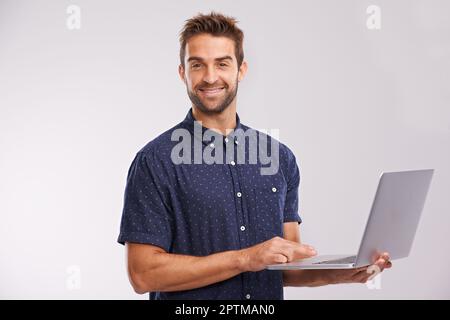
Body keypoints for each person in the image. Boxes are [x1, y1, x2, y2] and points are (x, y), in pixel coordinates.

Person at [117, 12, 391, 300]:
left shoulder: (279, 158)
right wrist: (246, 258)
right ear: (183, 73)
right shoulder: (155, 162)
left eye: (222, 63)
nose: (210, 77)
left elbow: (288, 267)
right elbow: (142, 274)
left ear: (241, 70)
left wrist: (345, 272)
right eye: (197, 65)